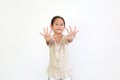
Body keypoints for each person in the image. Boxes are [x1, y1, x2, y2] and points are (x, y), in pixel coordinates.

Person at [40, 16, 79, 80]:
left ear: (64, 27)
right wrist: (47, 39)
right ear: (51, 26)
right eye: (56, 24)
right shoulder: (51, 39)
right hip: (53, 71)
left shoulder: (65, 38)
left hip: (65, 71)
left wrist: (71, 38)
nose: (59, 26)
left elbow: (69, 40)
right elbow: (48, 41)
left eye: (61, 24)